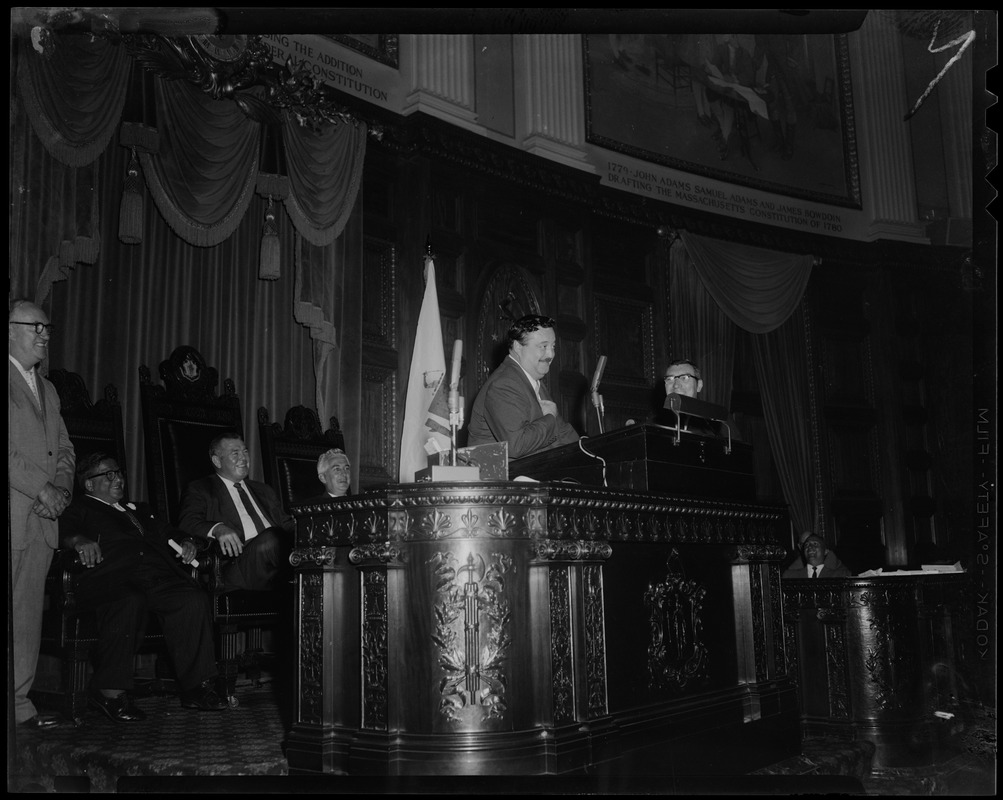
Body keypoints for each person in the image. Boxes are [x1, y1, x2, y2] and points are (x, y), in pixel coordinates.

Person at [58, 452, 227, 720]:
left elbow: (170, 532)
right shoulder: (80, 508)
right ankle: (108, 693)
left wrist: (187, 542)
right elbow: (62, 529)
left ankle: (196, 687)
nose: (119, 479)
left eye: (120, 473)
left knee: (191, 598)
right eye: (109, 474)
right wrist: (78, 540)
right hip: (111, 580)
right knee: (129, 599)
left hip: (155, 578)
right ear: (89, 484)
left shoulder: (140, 510)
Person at [8, 298, 76, 729]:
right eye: (36, 328)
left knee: (28, 615)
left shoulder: (48, 388)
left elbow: (66, 449)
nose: (45, 335)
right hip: (16, 511)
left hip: (43, 521)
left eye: (47, 328)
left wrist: (62, 490)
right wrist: (42, 488)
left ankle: (19, 705)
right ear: (10, 330)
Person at [178, 431, 293, 592]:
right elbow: (187, 523)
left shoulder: (264, 490)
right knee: (272, 539)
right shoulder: (201, 489)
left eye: (245, 451)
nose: (243, 458)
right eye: (235, 453)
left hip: (278, 560)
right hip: (235, 566)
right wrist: (218, 528)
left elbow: (287, 525)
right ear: (217, 461)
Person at [466, 314, 579, 459]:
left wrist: (589, 450)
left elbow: (561, 432)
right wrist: (550, 416)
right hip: (502, 478)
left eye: (553, 346)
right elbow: (517, 446)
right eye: (543, 346)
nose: (551, 354)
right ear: (518, 347)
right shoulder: (504, 384)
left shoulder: (531, 380)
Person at [782, 532, 852, 579]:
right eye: (806, 545)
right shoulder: (790, 576)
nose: (810, 547)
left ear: (826, 551)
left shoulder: (841, 575)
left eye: (815, 544)